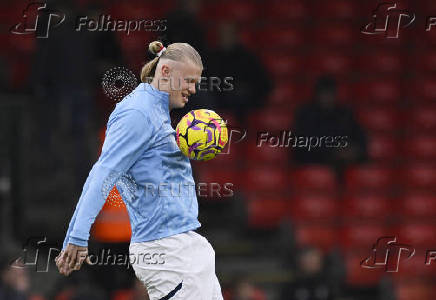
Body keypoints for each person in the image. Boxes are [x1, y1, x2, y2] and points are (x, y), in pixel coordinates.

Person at [55, 41, 223, 300]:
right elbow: (103, 174)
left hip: (185, 246)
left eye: (196, 82)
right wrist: (77, 236)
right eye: (189, 80)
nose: (193, 89)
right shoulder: (137, 112)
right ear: (165, 72)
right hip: (166, 250)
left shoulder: (155, 110)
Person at [293, 76, 367, 177]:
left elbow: (360, 138)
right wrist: (333, 152)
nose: (327, 98)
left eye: (330, 94)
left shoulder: (345, 114)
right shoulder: (306, 114)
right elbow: (302, 146)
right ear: (317, 95)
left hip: (343, 166)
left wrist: (354, 150)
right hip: (313, 165)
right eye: (324, 94)